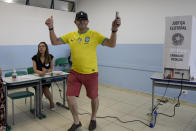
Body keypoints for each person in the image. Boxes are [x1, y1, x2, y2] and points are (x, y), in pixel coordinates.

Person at [45, 11, 121, 131]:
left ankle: (93, 118)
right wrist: (51, 28)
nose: (81, 22)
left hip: (91, 73)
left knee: (93, 97)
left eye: (84, 19)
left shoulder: (94, 35)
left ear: (87, 22)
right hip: (75, 72)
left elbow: (111, 44)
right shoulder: (71, 35)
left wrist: (114, 30)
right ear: (75, 22)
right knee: (69, 97)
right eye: (79, 20)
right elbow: (54, 42)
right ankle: (76, 122)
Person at [32, 42, 55, 110]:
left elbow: (51, 68)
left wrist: (46, 71)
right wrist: (41, 72)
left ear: (46, 48)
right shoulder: (35, 57)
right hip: (37, 77)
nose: (41, 48)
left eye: (43, 46)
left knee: (45, 88)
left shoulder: (50, 56)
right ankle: (39, 103)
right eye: (39, 46)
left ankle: (51, 102)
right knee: (40, 88)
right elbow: (35, 70)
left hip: (46, 78)